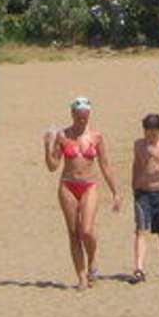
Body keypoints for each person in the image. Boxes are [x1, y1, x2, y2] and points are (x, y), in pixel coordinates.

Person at [44, 97, 119, 289]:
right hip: (68, 185)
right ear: (72, 114)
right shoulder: (63, 136)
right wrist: (47, 146)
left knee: (86, 230)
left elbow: (105, 165)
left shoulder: (96, 136)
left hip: (89, 185)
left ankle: (92, 259)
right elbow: (53, 166)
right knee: (73, 232)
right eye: (79, 116)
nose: (82, 120)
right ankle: (81, 276)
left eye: (85, 116)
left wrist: (115, 192)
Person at [129, 112, 159, 282]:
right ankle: (139, 268)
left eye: (154, 133)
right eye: (147, 132)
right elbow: (136, 165)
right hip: (143, 193)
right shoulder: (138, 145)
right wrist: (134, 185)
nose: (150, 136)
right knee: (141, 230)